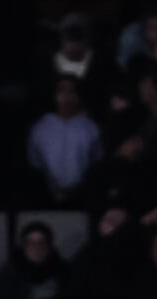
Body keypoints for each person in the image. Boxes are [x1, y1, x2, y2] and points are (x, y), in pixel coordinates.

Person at [25, 74, 100, 204]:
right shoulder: (40, 127)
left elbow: (96, 161)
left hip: (83, 198)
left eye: (71, 91)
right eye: (62, 90)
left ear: (78, 95)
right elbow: (35, 162)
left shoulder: (90, 127)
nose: (67, 96)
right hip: (45, 197)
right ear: (54, 95)